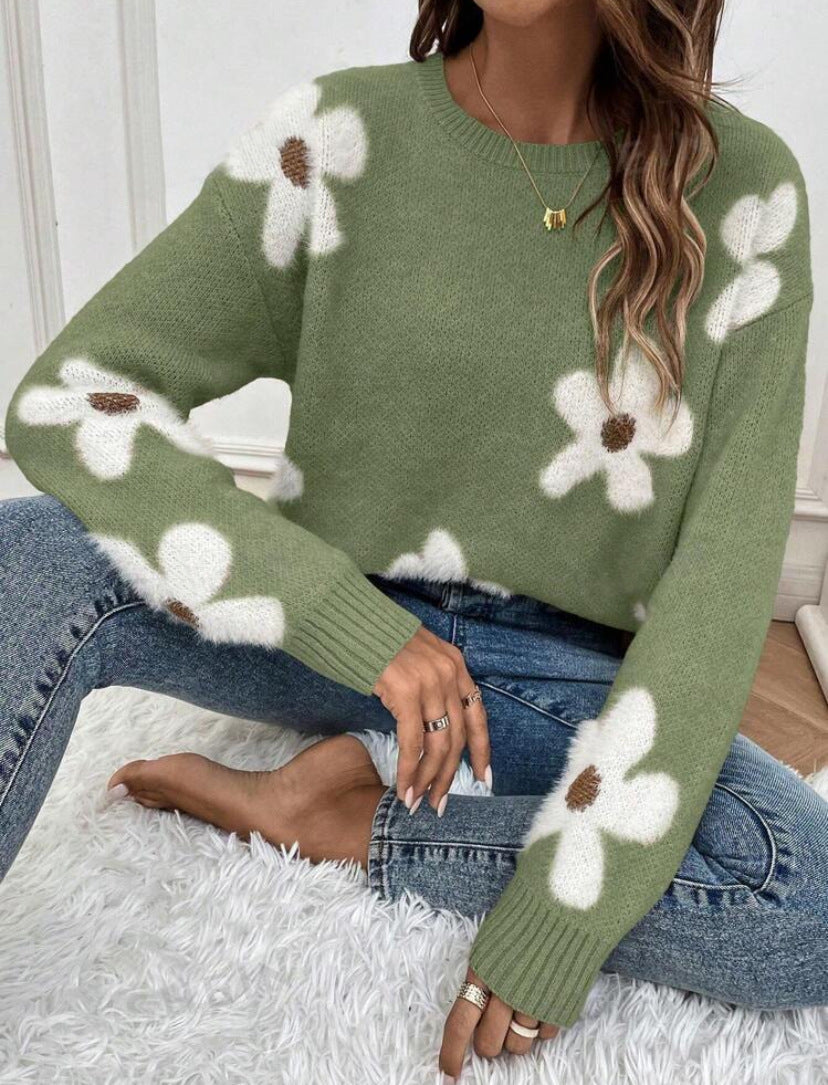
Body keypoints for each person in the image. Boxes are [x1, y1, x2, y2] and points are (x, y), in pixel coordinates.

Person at [2, 0, 826, 1079]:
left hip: (550, 671)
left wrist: (565, 905)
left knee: (803, 894)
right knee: (32, 550)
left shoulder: (746, 195)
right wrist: (344, 618)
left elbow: (719, 586)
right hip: (339, 629)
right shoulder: (338, 139)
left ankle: (341, 819)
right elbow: (69, 398)